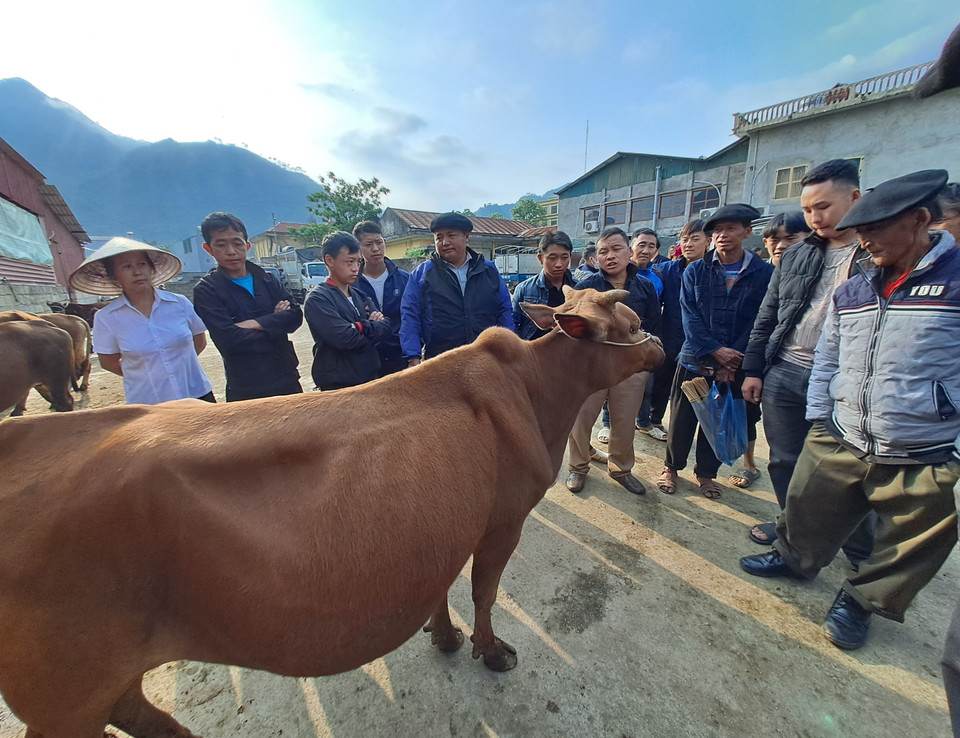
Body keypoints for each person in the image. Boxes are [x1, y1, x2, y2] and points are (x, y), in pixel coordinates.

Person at [740, 169, 960, 652]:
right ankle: (796, 559)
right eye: (861, 231)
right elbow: (829, 356)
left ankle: (861, 600)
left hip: (922, 441)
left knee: (911, 541)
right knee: (804, 501)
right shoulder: (855, 288)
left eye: (874, 230)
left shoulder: (955, 282)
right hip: (842, 426)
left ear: (920, 220)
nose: (866, 241)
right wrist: (822, 414)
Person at [741, 160, 875, 562]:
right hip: (785, 370)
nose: (815, 218)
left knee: (846, 473)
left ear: (855, 197)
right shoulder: (798, 255)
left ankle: (857, 554)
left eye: (824, 207)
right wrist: (754, 368)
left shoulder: (877, 253)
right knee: (785, 461)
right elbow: (769, 315)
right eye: (809, 209)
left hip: (845, 381)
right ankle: (793, 540)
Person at [657, 204, 773, 499]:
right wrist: (716, 351)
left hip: (737, 363)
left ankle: (706, 474)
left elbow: (761, 319)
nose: (723, 235)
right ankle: (671, 467)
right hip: (695, 359)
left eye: (731, 228)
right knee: (682, 418)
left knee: (718, 420)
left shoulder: (764, 274)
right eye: (717, 230)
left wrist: (734, 356)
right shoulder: (696, 270)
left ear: (748, 231)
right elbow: (689, 316)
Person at [565, 227, 661, 496]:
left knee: (624, 421)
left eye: (616, 249)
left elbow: (653, 325)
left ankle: (621, 469)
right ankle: (578, 467)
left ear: (629, 251)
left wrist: (644, 365)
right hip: (592, 369)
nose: (609, 256)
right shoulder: (585, 288)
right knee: (581, 420)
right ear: (595, 257)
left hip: (630, 369)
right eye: (602, 251)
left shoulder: (645, 287)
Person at [70, 237, 214, 405]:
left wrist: (179, 364)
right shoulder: (106, 318)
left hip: (196, 394)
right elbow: (109, 362)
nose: (137, 271)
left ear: (152, 269)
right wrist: (145, 372)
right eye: (126, 267)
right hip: (148, 403)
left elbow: (199, 340)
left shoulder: (179, 303)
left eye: (142, 264)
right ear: (114, 276)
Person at [193, 212, 303, 401]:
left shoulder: (267, 279)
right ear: (208, 248)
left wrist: (252, 323)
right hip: (246, 388)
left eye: (237, 243)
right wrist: (275, 322)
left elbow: (295, 317)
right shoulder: (207, 290)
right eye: (221, 244)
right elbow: (228, 340)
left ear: (247, 245)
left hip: (287, 380)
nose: (231, 251)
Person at [400, 212, 514, 365]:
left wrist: (509, 346)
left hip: (487, 359)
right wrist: (412, 356)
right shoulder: (422, 274)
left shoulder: (489, 270)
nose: (445, 242)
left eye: (451, 235)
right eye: (439, 238)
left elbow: (504, 310)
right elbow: (410, 315)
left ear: (466, 236)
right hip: (440, 361)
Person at [304, 231, 391, 390]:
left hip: (370, 379)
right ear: (329, 260)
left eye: (358, 262)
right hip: (339, 385)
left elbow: (386, 327)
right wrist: (372, 327)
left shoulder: (360, 295)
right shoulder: (318, 299)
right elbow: (343, 339)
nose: (355, 268)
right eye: (349, 262)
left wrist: (360, 327)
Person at [650, 219, 710, 444]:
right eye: (684, 239)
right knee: (662, 383)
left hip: (698, 344)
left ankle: (683, 430)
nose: (688, 244)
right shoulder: (667, 270)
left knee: (690, 390)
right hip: (669, 337)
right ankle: (655, 420)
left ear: (708, 242)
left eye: (695, 239)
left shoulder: (713, 272)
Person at [351, 220, 410, 376]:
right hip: (365, 358)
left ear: (384, 242)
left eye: (379, 242)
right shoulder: (351, 283)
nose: (375, 249)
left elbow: (416, 316)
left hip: (399, 356)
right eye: (368, 244)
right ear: (358, 248)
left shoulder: (404, 279)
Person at [513, 231, 577, 340]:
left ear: (570, 256)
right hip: (535, 352)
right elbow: (514, 323)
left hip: (571, 352)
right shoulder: (524, 289)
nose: (559, 264)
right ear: (540, 259)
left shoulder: (579, 288)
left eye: (564, 257)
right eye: (552, 258)